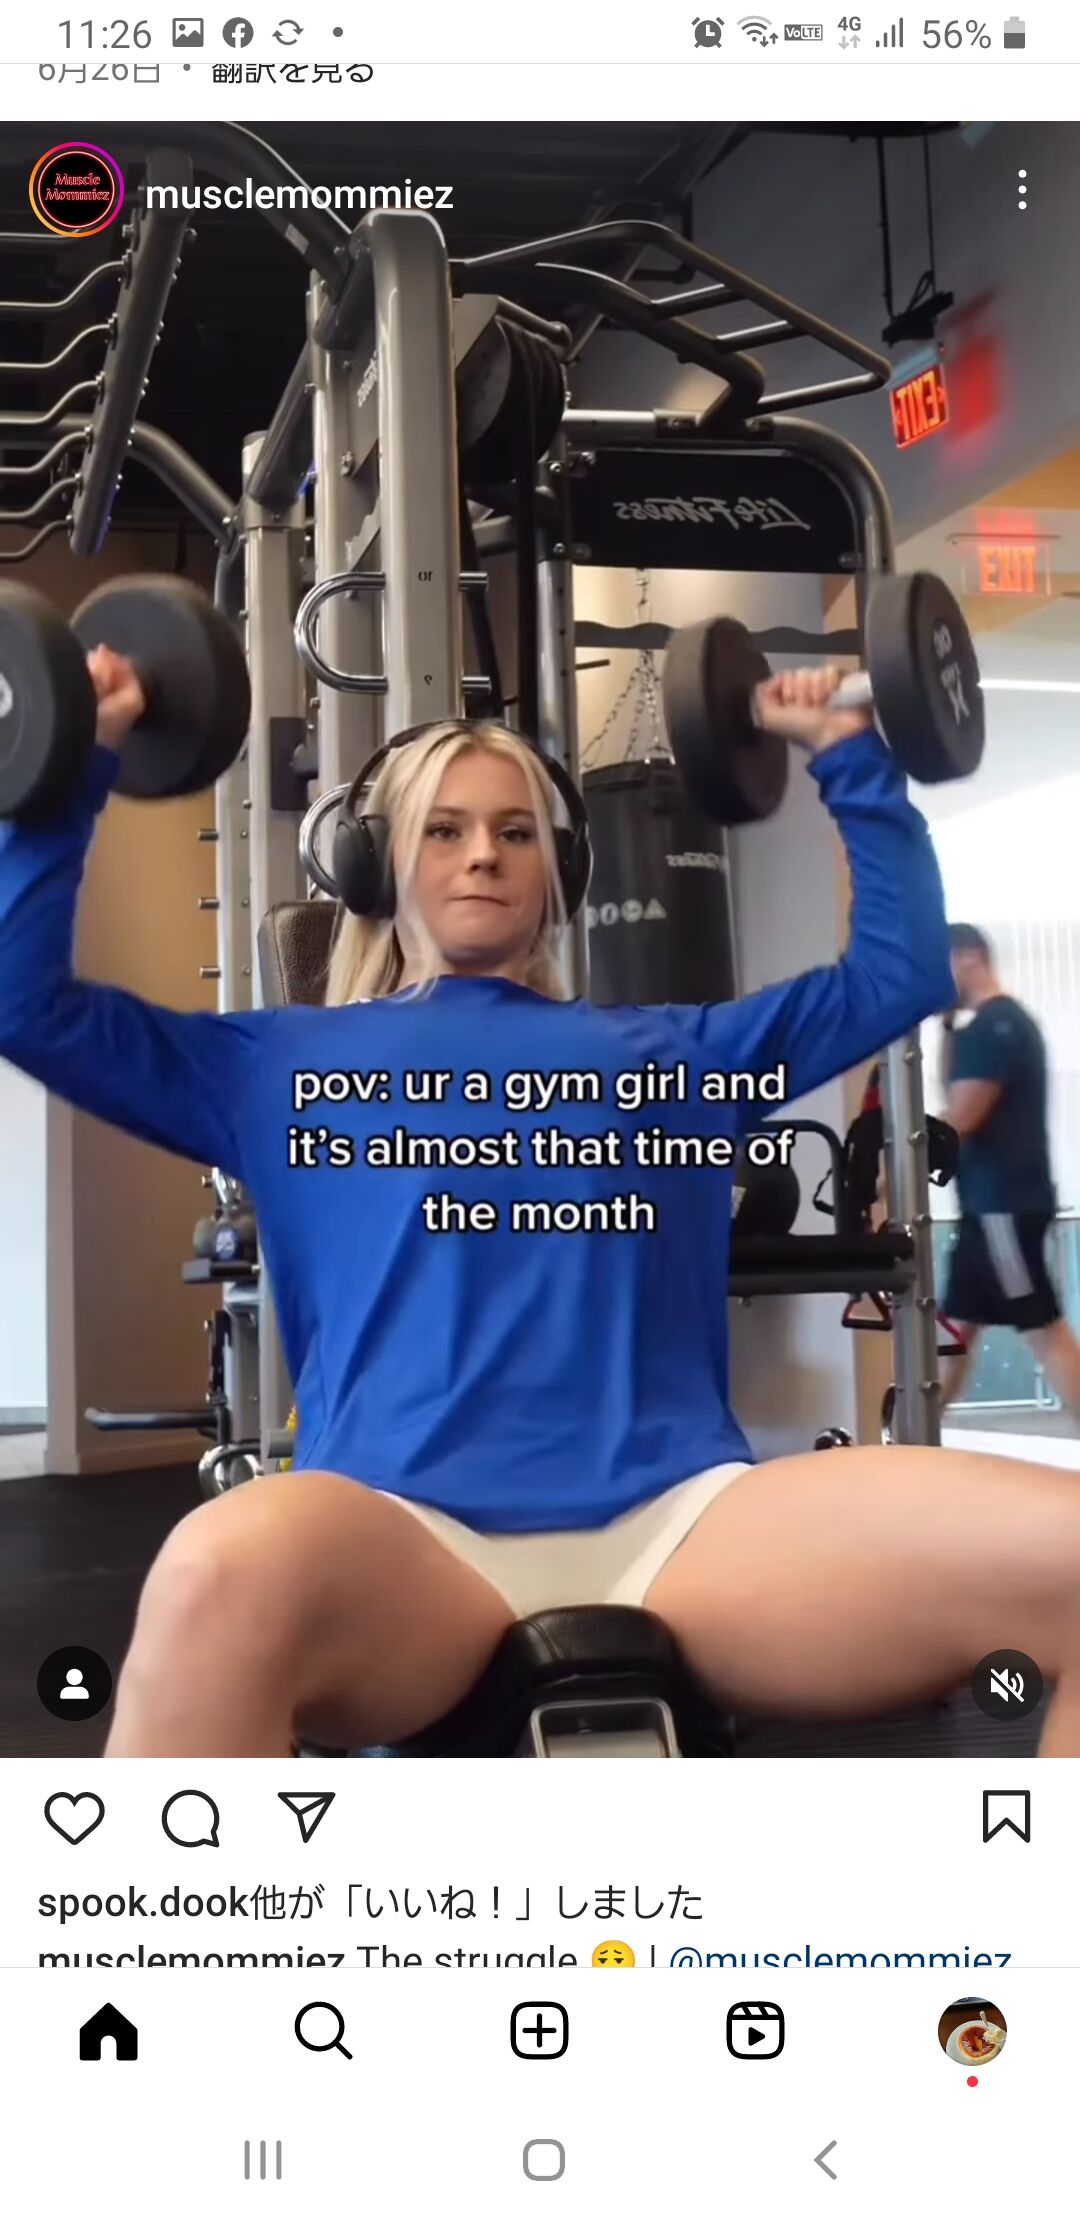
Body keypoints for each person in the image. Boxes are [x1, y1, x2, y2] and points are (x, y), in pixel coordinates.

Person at [5, 649, 1080, 1759]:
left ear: (558, 868)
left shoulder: (676, 1055)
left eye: (515, 832)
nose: (483, 853)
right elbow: (23, 1003)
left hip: (684, 1525)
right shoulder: (272, 1067)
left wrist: (847, 753)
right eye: (445, 829)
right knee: (211, 1568)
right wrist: (77, 756)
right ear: (382, 862)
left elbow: (899, 975)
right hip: (401, 1531)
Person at [939, 922, 1080, 1423]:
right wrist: (947, 1025)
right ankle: (907, 1438)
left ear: (968, 957)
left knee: (1043, 1329)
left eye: (940, 964)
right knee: (953, 1330)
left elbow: (961, 1118)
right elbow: (956, 1102)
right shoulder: (986, 1028)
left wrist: (899, 1165)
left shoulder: (996, 1027)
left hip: (1002, 1209)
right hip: (988, 1207)